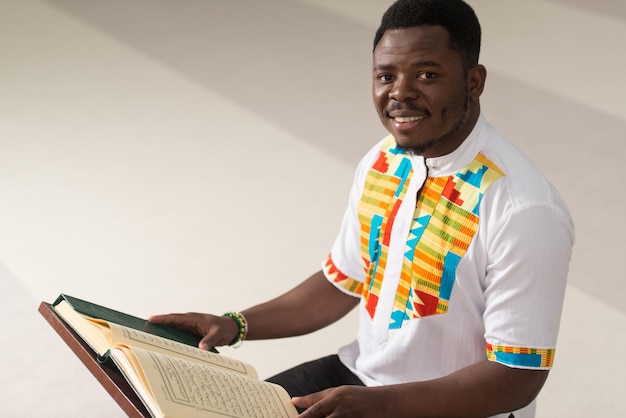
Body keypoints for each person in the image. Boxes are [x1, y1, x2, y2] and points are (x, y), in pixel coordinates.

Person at [149, 0, 575, 416]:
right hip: (361, 378)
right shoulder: (383, 160)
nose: (400, 93)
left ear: (474, 81)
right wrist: (235, 325)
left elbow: (517, 377)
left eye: (427, 74)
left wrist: (383, 405)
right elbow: (342, 281)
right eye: (385, 75)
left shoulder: (525, 210)